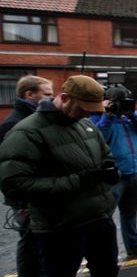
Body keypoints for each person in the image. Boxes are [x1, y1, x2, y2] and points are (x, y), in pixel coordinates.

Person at [0, 75, 120, 277]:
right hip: (60, 227)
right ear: (64, 98)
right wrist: (78, 180)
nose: (87, 114)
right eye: (83, 109)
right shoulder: (26, 132)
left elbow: (106, 155)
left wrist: (110, 171)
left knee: (107, 271)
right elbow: (14, 183)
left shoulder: (85, 125)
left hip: (100, 219)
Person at [91, 85, 137, 259]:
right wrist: (107, 116)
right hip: (112, 176)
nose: (122, 106)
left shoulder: (130, 117)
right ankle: (104, 255)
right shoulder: (97, 117)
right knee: (103, 218)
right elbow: (96, 140)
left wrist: (133, 114)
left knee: (129, 214)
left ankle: (135, 245)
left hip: (134, 172)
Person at [0, 75, 53, 277]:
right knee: (31, 244)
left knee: (38, 243)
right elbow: (9, 171)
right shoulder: (15, 123)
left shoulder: (36, 118)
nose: (52, 97)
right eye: (47, 94)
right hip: (27, 200)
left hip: (37, 194)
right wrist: (23, 203)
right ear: (30, 94)